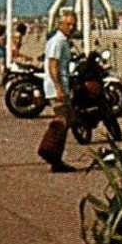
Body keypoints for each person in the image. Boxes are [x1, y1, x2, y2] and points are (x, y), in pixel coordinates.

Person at [37, 12, 77, 173]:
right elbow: (53, 65)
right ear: (60, 24)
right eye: (68, 24)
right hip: (56, 87)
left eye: (73, 24)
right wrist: (59, 87)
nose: (71, 27)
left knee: (64, 119)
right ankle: (51, 154)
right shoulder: (58, 42)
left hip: (61, 85)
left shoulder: (63, 42)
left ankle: (53, 155)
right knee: (62, 119)